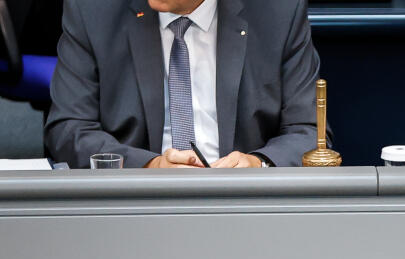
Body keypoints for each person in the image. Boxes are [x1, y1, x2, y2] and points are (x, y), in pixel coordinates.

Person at [45, 0, 321, 168]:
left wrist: (257, 163)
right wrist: (150, 167)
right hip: (134, 206)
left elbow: (308, 131)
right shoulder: (92, 10)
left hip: (243, 206)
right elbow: (69, 127)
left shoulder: (278, 11)